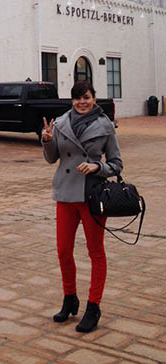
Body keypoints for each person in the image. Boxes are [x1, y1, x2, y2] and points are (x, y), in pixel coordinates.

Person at [41, 80, 123, 333]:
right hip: (65, 193)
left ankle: (93, 306)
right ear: (72, 100)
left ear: (94, 98)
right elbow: (51, 158)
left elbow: (117, 163)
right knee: (63, 251)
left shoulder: (105, 125)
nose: (82, 102)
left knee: (95, 252)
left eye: (86, 97)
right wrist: (46, 140)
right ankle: (69, 298)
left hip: (92, 195)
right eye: (77, 98)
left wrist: (98, 167)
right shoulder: (60, 122)